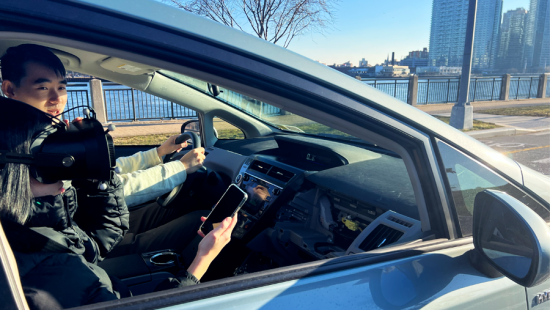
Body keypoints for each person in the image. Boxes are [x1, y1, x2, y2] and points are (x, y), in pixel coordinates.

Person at [0, 98, 237, 309]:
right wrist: (201, 262)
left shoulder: (33, 228)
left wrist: (157, 153)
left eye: (61, 87)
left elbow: (91, 248)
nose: (65, 178)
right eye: (51, 166)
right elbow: (123, 189)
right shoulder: (49, 275)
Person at [0, 44, 209, 257]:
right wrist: (180, 168)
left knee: (183, 210)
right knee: (200, 221)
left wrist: (158, 153)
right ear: (9, 89)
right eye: (43, 88)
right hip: (76, 243)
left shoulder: (47, 134)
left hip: (81, 222)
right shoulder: (22, 149)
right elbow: (111, 188)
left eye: (62, 87)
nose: (58, 99)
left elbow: (107, 174)